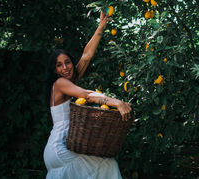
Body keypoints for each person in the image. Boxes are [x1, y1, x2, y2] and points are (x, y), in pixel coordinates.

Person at [43, 10, 132, 179]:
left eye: (67, 62)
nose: (65, 68)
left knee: (106, 165)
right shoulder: (60, 84)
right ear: (54, 70)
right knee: (108, 165)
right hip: (59, 147)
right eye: (59, 65)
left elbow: (86, 56)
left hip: (67, 145)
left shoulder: (70, 81)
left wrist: (101, 27)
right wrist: (117, 103)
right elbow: (87, 95)